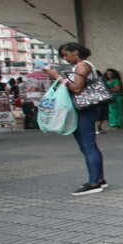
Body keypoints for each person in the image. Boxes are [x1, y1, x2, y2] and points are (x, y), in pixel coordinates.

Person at [43, 43, 108, 195]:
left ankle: (94, 183)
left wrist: (57, 77)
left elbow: (77, 88)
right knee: (89, 145)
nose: (65, 59)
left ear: (75, 52)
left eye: (66, 55)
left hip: (85, 109)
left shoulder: (82, 66)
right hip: (87, 109)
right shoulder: (82, 66)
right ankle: (98, 179)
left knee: (87, 146)